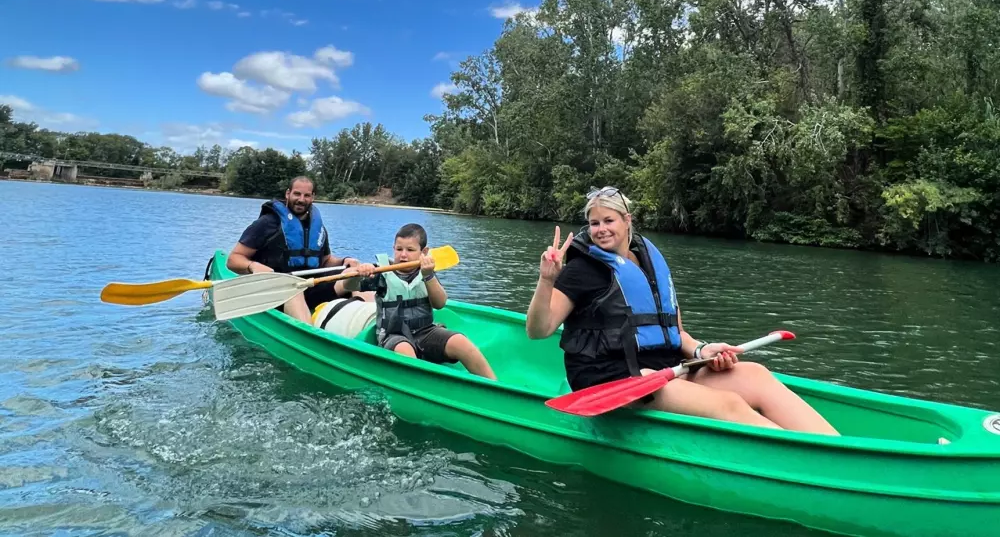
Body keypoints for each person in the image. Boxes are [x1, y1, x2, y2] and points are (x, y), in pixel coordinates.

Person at [525, 186, 839, 435]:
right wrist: (547, 280)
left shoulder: (648, 263)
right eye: (594, 223)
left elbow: (677, 332)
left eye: (609, 221)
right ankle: (803, 463)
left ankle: (833, 449)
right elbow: (538, 330)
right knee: (728, 404)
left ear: (627, 220)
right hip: (614, 377)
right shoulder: (581, 270)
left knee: (755, 374)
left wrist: (702, 350)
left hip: (667, 369)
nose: (601, 230)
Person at [226, 175, 374, 324]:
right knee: (293, 289)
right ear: (288, 194)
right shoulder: (266, 223)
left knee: (354, 274)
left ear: (313, 197)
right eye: (297, 194)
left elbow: (326, 261)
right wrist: (253, 266)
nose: (301, 199)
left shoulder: (318, 228)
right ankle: (310, 334)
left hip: (310, 287)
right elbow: (233, 259)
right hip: (275, 291)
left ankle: (370, 323)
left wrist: (345, 261)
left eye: (307, 195)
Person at [359, 223, 497, 380]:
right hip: (394, 335)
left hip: (425, 331)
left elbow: (440, 303)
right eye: (399, 249)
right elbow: (349, 286)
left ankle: (493, 385)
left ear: (423, 252)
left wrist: (428, 276)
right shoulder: (381, 273)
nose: (403, 255)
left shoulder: (426, 271)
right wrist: (360, 273)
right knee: (405, 351)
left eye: (410, 250)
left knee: (461, 342)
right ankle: (418, 387)